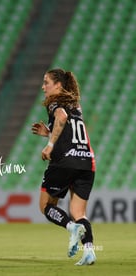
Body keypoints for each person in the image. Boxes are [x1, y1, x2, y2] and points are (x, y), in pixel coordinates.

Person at [31, 68, 96, 266]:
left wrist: (49, 145)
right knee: (79, 213)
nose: (43, 87)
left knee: (46, 206)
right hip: (86, 162)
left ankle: (71, 228)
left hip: (64, 161)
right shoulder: (76, 105)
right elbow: (70, 131)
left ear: (58, 85)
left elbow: (61, 117)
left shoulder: (55, 103)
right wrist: (49, 133)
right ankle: (90, 252)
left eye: (46, 82)